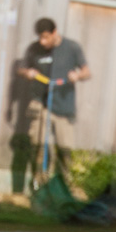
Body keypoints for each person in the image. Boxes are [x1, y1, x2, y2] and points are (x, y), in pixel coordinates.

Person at [16, 17, 90, 187]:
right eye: (40, 37)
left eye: (46, 37)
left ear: (54, 33)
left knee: (65, 149)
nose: (42, 42)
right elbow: (21, 68)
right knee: (39, 145)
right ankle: (39, 182)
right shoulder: (34, 49)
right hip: (40, 103)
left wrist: (77, 76)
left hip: (63, 105)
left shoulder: (72, 47)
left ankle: (65, 185)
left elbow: (87, 72)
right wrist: (27, 73)